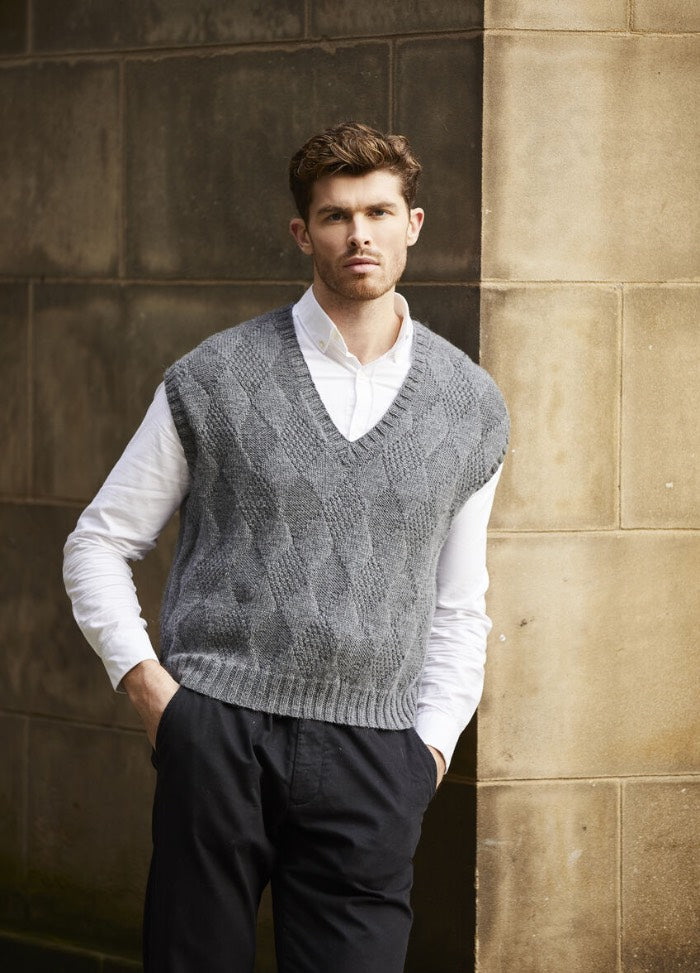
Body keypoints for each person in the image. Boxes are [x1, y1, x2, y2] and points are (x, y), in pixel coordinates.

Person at [63, 121, 508, 973]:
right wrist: (160, 698)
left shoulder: (470, 406)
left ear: (414, 223)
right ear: (303, 233)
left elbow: (460, 604)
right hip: (218, 733)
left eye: (379, 212)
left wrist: (431, 748)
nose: (360, 234)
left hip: (377, 752)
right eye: (336, 216)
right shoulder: (216, 377)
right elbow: (98, 543)